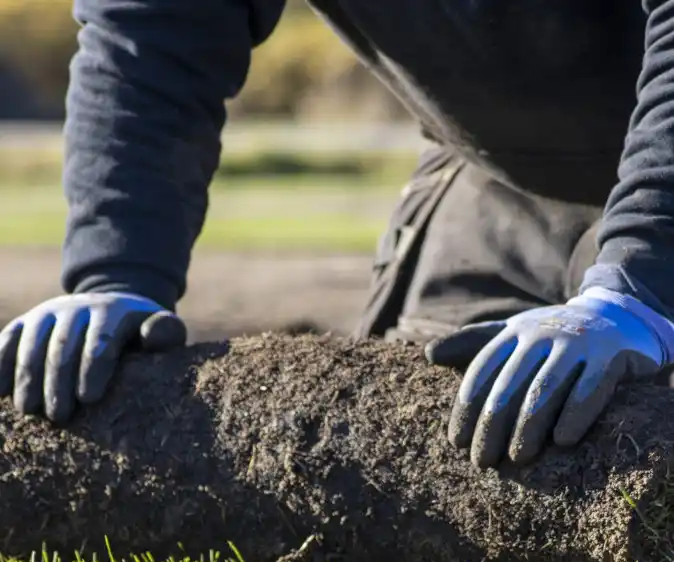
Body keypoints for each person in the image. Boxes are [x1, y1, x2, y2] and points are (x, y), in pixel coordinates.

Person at [1, 0, 674, 471]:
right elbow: (152, 29)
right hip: (498, 180)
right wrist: (114, 272)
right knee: (436, 451)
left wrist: (639, 283)